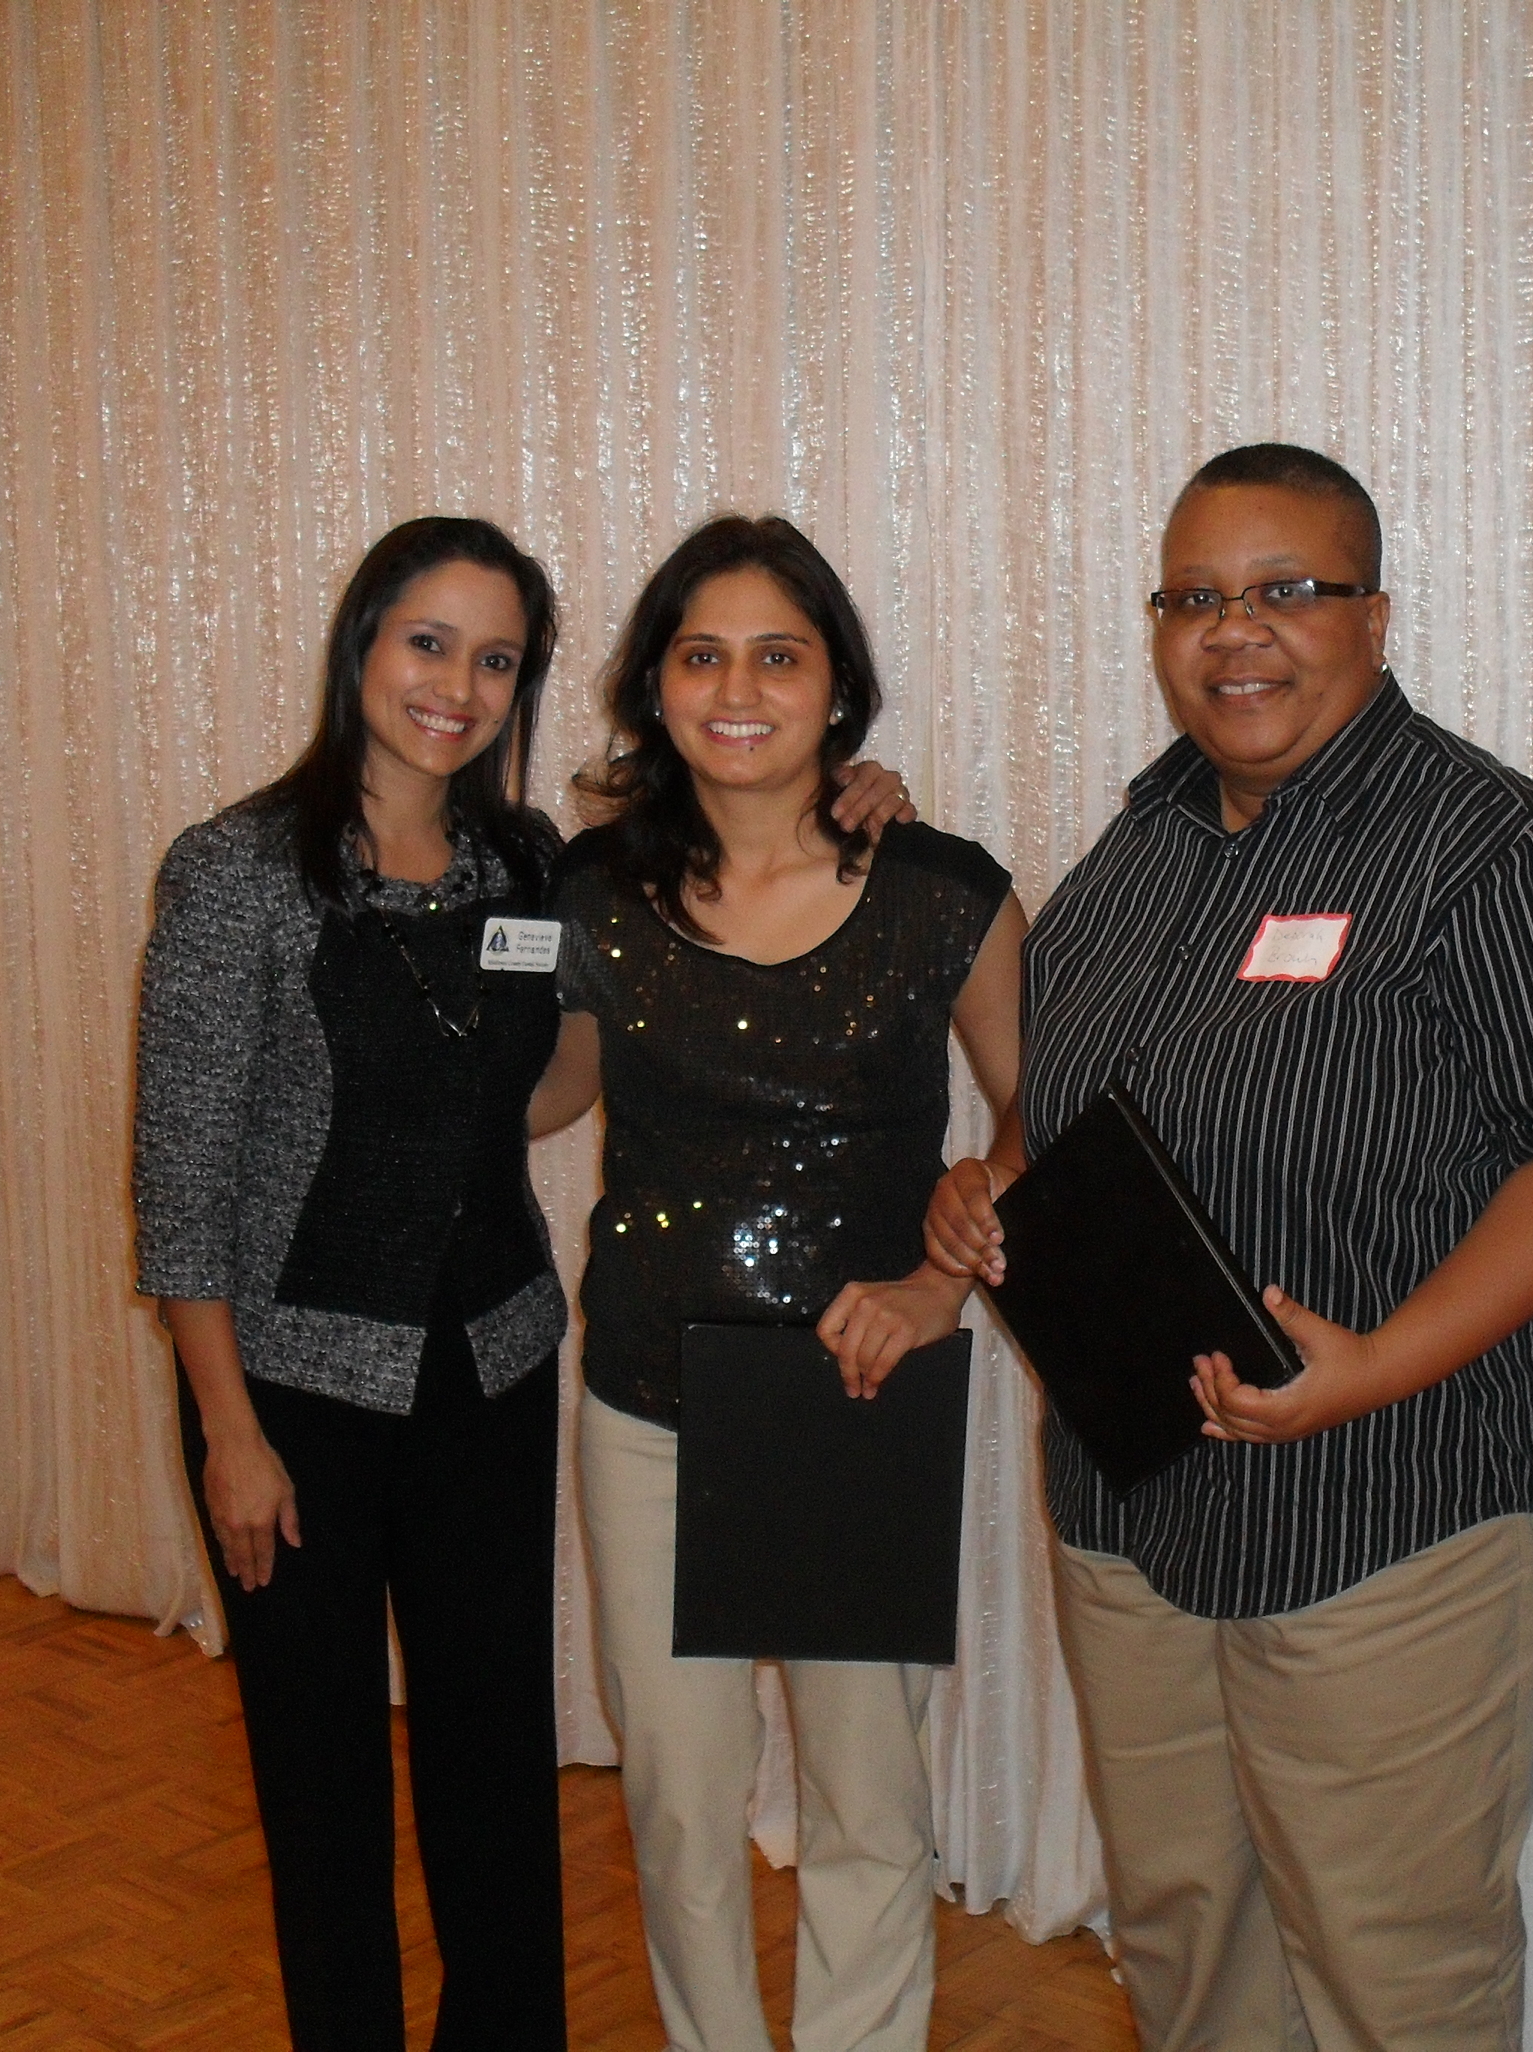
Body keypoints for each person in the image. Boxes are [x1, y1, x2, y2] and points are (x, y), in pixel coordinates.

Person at [134, 517, 914, 2051]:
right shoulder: (239, 873)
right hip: (292, 1397)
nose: (459, 686)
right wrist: (228, 1430)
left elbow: (551, 1081)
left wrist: (838, 792)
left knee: (496, 1757)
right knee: (322, 1775)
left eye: (497, 660)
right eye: (430, 643)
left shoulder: (526, 865)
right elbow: (181, 1188)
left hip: (489, 1367)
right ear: (363, 644)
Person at [926, 445, 1533, 2051]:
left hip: (1381, 1513)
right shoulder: (1137, 847)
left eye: (1285, 591)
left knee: (1394, 1973)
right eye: (1194, 598)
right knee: (1186, 1935)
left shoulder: (1490, 846)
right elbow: (1064, 1102)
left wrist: (1375, 1367)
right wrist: (990, 1185)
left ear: (1375, 617)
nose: (1234, 631)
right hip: (1134, 1508)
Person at [525, 514, 1027, 2052]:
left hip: (857, 1393)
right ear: (655, 685)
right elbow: (547, 1093)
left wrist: (939, 1282)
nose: (738, 690)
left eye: (778, 656)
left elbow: (1039, 1120)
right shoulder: (592, 889)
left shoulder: (943, 890)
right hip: (648, 1399)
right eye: (702, 655)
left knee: (867, 1802)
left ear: (836, 689)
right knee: (679, 1804)